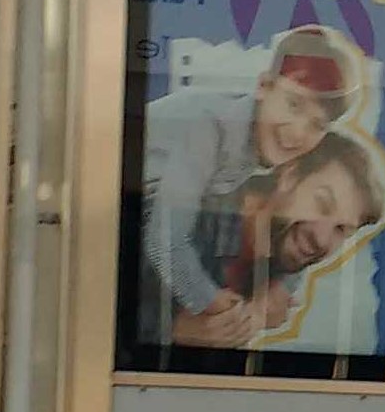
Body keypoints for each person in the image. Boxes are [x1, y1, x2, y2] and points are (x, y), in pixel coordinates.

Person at [141, 25, 360, 339]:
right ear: (264, 87)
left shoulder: (286, 149)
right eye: (294, 104)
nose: (298, 133)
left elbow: (297, 226)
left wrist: (280, 287)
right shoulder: (210, 127)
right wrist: (210, 302)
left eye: (317, 124)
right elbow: (163, 241)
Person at [142, 128, 385, 349]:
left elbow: (291, 272)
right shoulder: (190, 219)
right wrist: (174, 331)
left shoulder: (284, 245)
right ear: (290, 176)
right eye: (322, 203)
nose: (322, 239)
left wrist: (272, 294)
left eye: (341, 229)